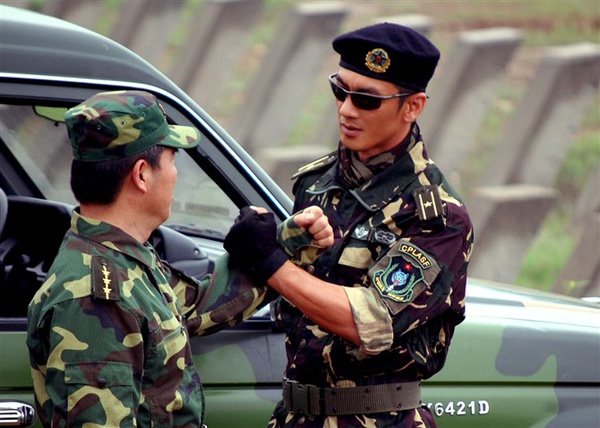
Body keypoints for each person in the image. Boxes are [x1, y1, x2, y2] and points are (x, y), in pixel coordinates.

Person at [26, 90, 333, 427]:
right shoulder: (94, 298)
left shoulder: (120, 258)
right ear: (142, 174)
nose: (176, 174)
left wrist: (286, 243)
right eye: (173, 160)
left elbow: (195, 306)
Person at [224, 23, 474, 428]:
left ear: (412, 107)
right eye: (340, 91)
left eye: (366, 100)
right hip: (295, 414)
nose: (346, 110)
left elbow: (372, 320)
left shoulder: (436, 215)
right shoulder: (315, 184)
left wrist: (270, 260)